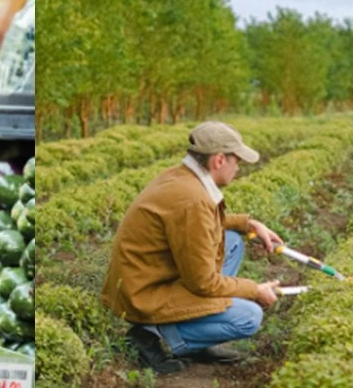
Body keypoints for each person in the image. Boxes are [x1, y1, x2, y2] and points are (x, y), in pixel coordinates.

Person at [101, 121, 285, 374]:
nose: (239, 168)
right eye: (237, 160)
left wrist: (248, 224)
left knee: (230, 241)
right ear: (219, 160)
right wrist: (254, 290)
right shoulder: (192, 199)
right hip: (145, 294)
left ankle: (192, 334)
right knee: (249, 316)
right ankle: (155, 335)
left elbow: (198, 224)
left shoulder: (181, 178)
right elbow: (203, 282)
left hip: (147, 278)